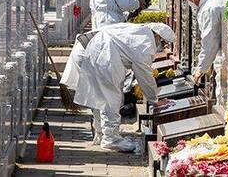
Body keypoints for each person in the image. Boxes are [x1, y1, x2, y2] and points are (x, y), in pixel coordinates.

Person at [60, 22, 174, 152]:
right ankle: (111, 139)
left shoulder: (138, 31)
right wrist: (154, 100)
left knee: (98, 96)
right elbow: (144, 74)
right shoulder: (146, 41)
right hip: (100, 54)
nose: (161, 46)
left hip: (85, 50)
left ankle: (101, 133)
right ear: (157, 36)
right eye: (163, 42)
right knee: (111, 98)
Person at [174, 0, 227, 85]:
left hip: (224, 58)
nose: (187, 1)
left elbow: (210, 42)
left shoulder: (207, 9)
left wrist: (200, 69)